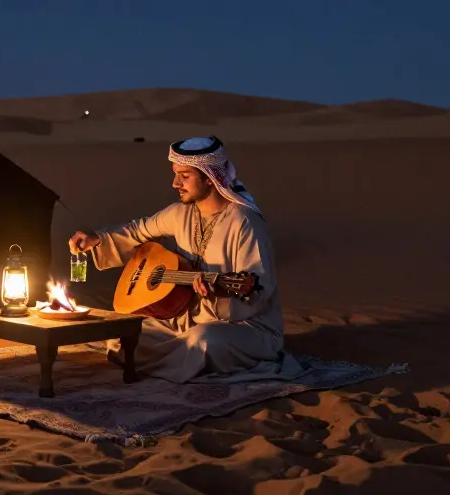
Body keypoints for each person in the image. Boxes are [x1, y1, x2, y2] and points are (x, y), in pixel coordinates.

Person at [68, 136, 301, 384]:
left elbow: (258, 289)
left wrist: (218, 290)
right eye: (175, 174)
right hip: (186, 318)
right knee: (123, 336)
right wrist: (97, 238)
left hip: (243, 326)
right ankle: (177, 363)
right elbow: (138, 230)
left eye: (185, 175)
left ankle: (172, 364)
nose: (175, 183)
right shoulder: (180, 213)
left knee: (205, 341)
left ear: (211, 178)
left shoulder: (244, 222)